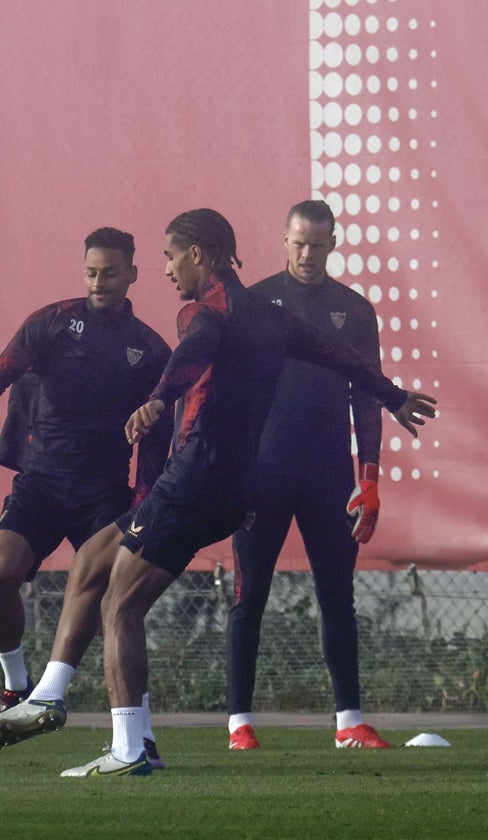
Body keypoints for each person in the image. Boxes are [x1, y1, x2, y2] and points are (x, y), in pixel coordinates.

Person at [0, 208, 436, 777]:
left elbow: (195, 350)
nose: (167, 270)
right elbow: (341, 356)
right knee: (92, 561)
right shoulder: (273, 316)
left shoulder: (206, 310)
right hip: (228, 488)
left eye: (170, 256)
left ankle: (125, 749)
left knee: (119, 603)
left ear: (199, 255)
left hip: (196, 479)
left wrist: (160, 399)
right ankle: (56, 696)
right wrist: (392, 396)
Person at [0, 227, 172, 760]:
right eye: (92, 272)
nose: (100, 282)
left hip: (103, 495)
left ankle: (139, 735)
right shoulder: (53, 322)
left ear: (132, 275)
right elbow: (5, 369)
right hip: (42, 483)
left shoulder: (148, 349)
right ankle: (18, 687)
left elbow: (158, 432)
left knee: (121, 608)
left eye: (111, 273)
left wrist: (143, 502)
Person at [227, 200, 389, 750]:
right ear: (284, 239)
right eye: (298, 242)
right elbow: (231, 390)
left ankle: (349, 723)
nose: (306, 253)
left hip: (327, 473)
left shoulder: (354, 310)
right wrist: (232, 466)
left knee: (337, 596)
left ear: (333, 243)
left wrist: (368, 477)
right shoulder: (254, 302)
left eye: (317, 244)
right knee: (249, 596)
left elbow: (367, 398)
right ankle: (239, 724)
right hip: (263, 472)